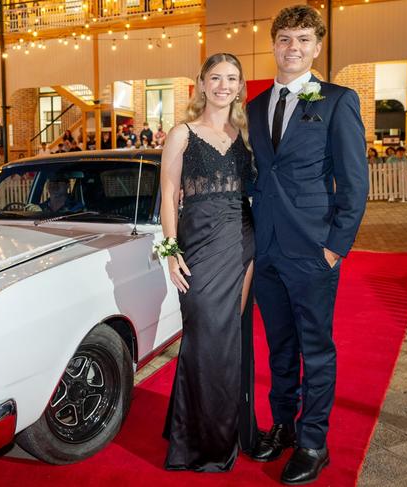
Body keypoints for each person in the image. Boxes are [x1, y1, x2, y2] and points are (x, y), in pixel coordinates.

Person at [246, 6, 368, 485]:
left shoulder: (337, 100)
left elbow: (354, 183)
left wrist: (335, 247)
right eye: (284, 39)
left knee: (315, 348)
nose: (292, 48)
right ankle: (283, 426)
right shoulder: (255, 108)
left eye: (302, 39)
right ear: (273, 44)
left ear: (317, 47)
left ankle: (314, 441)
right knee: (279, 346)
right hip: (267, 248)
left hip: (314, 249)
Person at [160, 52, 258, 473]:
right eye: (215, 77)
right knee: (202, 339)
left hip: (242, 243)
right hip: (197, 246)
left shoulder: (246, 135)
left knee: (229, 339)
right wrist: (170, 251)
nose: (223, 85)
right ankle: (195, 440)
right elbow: (167, 196)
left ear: (240, 86)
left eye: (231, 78)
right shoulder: (182, 134)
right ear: (201, 83)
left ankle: (224, 431)